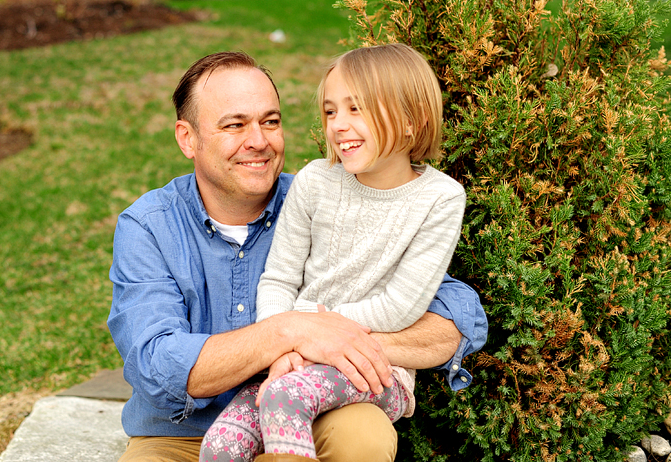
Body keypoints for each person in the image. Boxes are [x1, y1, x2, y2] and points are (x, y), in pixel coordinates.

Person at [107, 51, 487, 462]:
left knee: (363, 434)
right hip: (180, 436)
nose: (259, 140)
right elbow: (157, 364)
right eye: (235, 125)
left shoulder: (322, 199)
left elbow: (453, 316)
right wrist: (292, 332)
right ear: (188, 138)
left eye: (270, 122)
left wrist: (329, 342)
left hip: (313, 415)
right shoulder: (149, 226)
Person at [198, 44, 464, 462]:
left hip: (374, 371)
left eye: (357, 109)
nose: (339, 125)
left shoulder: (439, 198)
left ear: (413, 121)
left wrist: (310, 333)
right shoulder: (315, 182)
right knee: (220, 445)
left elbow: (401, 306)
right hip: (294, 362)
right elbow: (279, 278)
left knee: (285, 399)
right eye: (330, 111)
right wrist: (286, 348)